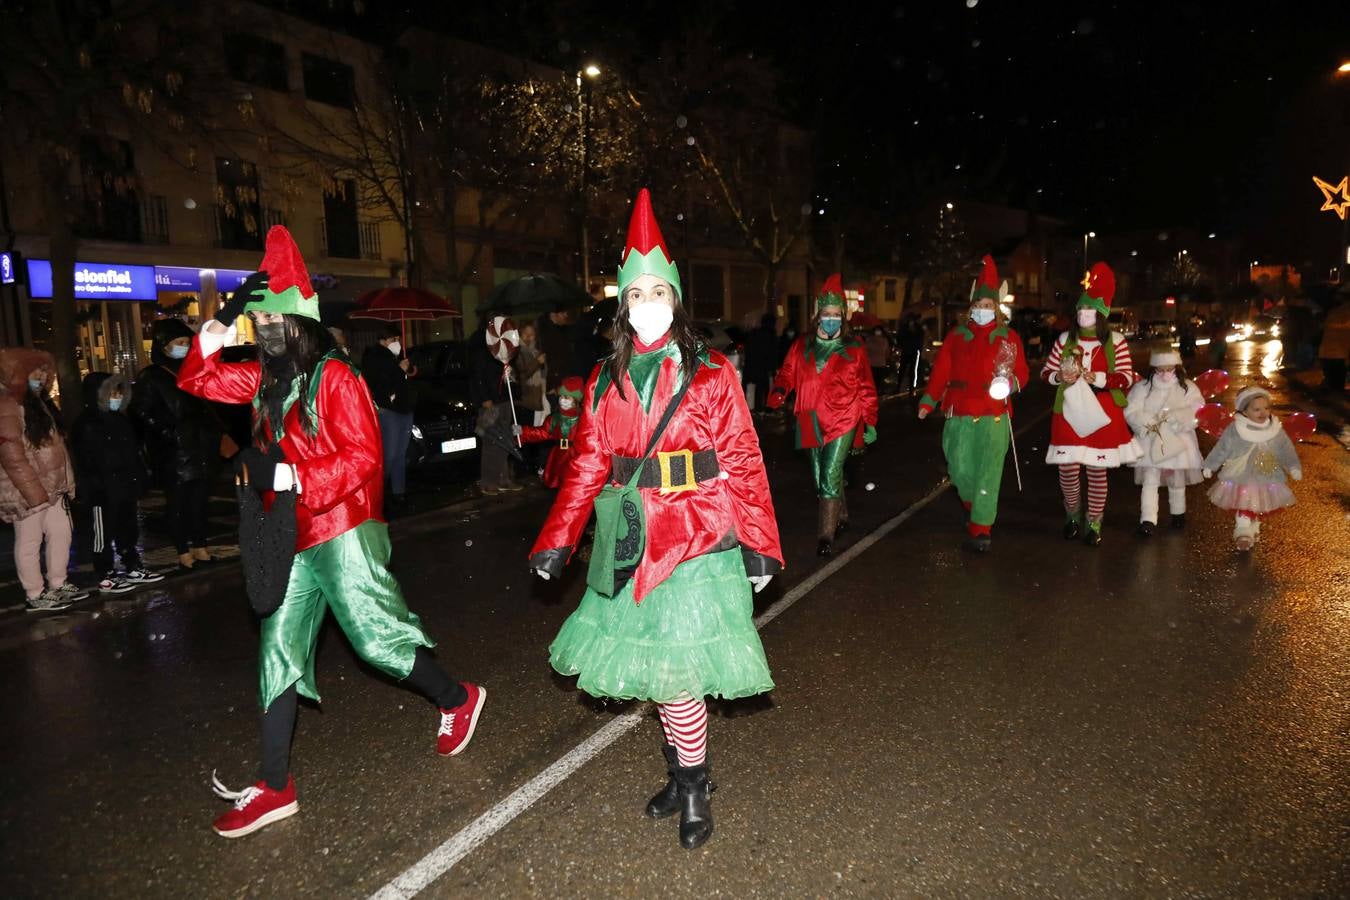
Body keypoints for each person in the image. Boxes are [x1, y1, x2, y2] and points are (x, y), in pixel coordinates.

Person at [177, 226, 486, 838]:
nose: (265, 330)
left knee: (376, 643)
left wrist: (292, 475)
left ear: (301, 322)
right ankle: (274, 785)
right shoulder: (265, 379)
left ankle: (457, 698)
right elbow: (197, 382)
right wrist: (215, 329)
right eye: (259, 322)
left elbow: (364, 458)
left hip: (345, 524)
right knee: (277, 651)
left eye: (274, 320)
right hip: (291, 535)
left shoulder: (337, 376)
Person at [529, 189, 782, 850]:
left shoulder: (711, 373)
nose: (647, 304)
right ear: (623, 306)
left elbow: (743, 457)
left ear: (675, 300)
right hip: (631, 539)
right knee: (660, 676)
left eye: (658, 293)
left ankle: (694, 788)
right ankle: (683, 774)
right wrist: (557, 541)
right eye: (636, 294)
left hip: (697, 537)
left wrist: (760, 544)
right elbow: (588, 464)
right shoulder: (603, 378)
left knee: (679, 679)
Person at [917, 255, 1029, 552]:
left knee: (989, 472)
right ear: (971, 307)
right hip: (959, 412)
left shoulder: (1009, 337)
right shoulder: (956, 336)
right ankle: (974, 504)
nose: (983, 310)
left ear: (997, 308)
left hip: (994, 415)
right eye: (979, 305)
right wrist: (929, 399)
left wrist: (1008, 384)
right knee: (959, 469)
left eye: (988, 305)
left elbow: (1022, 373)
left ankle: (981, 527)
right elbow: (941, 371)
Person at [767, 273, 879, 557]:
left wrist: (870, 421)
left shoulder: (854, 349)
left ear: (843, 317)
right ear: (818, 316)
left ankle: (825, 537)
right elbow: (787, 372)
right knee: (821, 479)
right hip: (808, 418)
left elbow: (866, 388)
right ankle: (841, 514)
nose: (831, 319)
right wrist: (780, 389)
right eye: (826, 314)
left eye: (836, 315)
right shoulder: (801, 345)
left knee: (830, 473)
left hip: (844, 418)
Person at [1040, 262, 1142, 546]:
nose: (1084, 314)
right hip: (1068, 412)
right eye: (1081, 309)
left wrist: (1096, 377)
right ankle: (1072, 514)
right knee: (1068, 470)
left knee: (1097, 470)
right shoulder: (1064, 339)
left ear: (1101, 314)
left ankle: (1094, 521)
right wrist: (1059, 376)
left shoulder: (1116, 341)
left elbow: (1125, 377)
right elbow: (1046, 373)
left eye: (1090, 310)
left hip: (1103, 412)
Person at [130, 318, 224, 570]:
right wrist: (168, 431)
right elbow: (140, 411)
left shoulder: (193, 370)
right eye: (178, 342)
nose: (183, 346)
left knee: (200, 501)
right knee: (179, 504)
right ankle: (183, 550)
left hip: (200, 448)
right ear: (163, 346)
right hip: (175, 452)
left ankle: (200, 546)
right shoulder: (152, 377)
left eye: (186, 342)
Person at [0, 350, 89, 611]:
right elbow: (11, 455)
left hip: (52, 486)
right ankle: (35, 593)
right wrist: (33, 493)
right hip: (27, 489)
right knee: (30, 541)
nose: (41, 375)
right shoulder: (8, 404)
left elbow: (56, 448)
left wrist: (66, 483)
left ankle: (58, 584)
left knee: (61, 533)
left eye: (44, 370)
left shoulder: (39, 403)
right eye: (34, 370)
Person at [71, 372, 164, 593]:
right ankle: (105, 573)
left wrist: (139, 478)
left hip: (124, 486)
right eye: (112, 393)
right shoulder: (86, 423)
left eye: (119, 393)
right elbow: (86, 460)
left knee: (128, 528)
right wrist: (94, 487)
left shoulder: (121, 420)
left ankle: (132, 565)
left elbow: (133, 453)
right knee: (103, 533)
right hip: (101, 490)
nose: (117, 397)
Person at [1201, 387, 1301, 551]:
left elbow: (1286, 449)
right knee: (1244, 503)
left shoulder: (1275, 429)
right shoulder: (1236, 429)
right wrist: (1210, 465)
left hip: (1267, 475)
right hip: (1241, 475)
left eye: (1266, 408)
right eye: (1256, 409)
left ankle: (1253, 528)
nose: (1263, 413)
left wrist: (1293, 466)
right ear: (1244, 411)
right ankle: (1242, 532)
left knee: (1258, 504)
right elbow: (1222, 448)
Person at [1123, 350, 1204, 535]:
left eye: (1169, 369)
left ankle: (1178, 513)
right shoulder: (1142, 387)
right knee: (1150, 480)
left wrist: (1178, 419)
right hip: (1150, 441)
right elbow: (1131, 410)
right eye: (1160, 369)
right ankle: (1148, 519)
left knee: (1176, 479)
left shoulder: (1187, 387)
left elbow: (1197, 408)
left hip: (1178, 440)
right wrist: (1149, 422)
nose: (1165, 374)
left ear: (1177, 367)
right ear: (1153, 368)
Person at [360, 323, 415, 512]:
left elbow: (403, 379)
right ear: (383, 340)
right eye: (393, 339)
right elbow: (381, 382)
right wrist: (399, 370)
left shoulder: (394, 356)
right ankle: (378, 492)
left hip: (404, 408)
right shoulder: (374, 358)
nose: (397, 342)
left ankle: (399, 492)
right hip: (388, 410)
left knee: (400, 454)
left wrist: (408, 369)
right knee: (389, 455)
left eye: (398, 339)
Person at [469, 321, 522, 496]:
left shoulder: (505, 350)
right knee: (491, 442)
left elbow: (512, 375)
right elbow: (477, 377)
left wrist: (510, 376)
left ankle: (503, 478)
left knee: (505, 441)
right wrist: (484, 398)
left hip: (504, 400)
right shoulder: (481, 350)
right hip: (491, 402)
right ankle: (488, 481)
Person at [514, 375, 584, 488]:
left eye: (567, 397)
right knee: (561, 485)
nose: (562, 400)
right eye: (561, 396)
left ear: (576, 400)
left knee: (574, 485)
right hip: (559, 457)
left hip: (576, 457)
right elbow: (542, 433)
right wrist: (523, 431)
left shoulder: (583, 419)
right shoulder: (554, 419)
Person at [1317, 300, 1349, 392]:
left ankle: (1333, 389)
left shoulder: (1333, 312)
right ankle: (1335, 391)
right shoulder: (1340, 312)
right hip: (1338, 352)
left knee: (1332, 375)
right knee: (1337, 377)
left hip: (1330, 351)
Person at [897, 315, 925, 394]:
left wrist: (919, 348)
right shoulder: (904, 328)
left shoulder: (918, 329)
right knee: (902, 369)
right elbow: (900, 338)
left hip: (914, 351)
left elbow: (920, 339)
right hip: (906, 350)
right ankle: (899, 386)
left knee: (913, 370)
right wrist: (902, 346)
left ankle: (912, 386)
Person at [865, 325, 893, 396]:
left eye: (879, 330)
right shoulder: (869, 339)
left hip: (880, 363)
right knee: (874, 380)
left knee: (878, 380)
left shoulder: (884, 340)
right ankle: (873, 392)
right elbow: (866, 350)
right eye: (876, 330)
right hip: (872, 363)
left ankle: (876, 392)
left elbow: (886, 351)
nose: (878, 332)